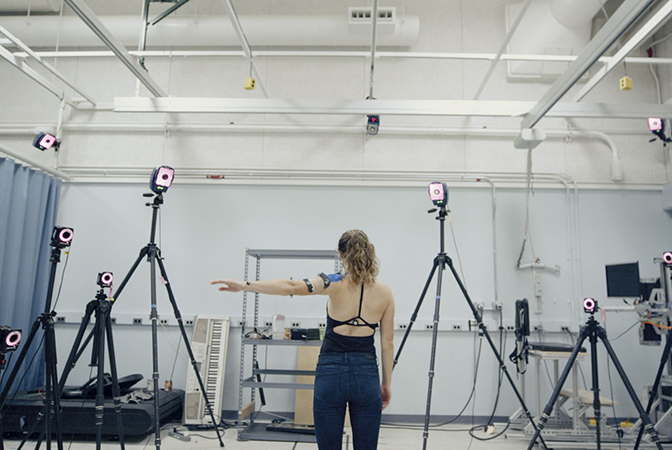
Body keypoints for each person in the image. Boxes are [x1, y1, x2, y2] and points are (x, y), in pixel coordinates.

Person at [211, 229, 395, 450]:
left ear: (340, 254)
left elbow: (290, 287)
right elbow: (387, 344)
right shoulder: (385, 293)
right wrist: (386, 384)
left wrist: (245, 285)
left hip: (331, 374)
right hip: (366, 375)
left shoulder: (332, 282)